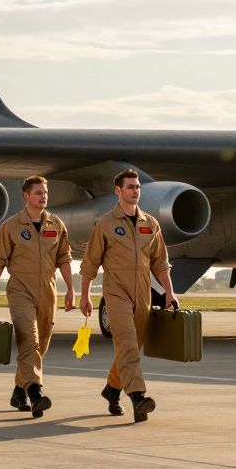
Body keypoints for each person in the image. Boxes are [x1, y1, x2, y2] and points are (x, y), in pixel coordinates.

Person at [79, 169, 176, 422]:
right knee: (127, 342)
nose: (136, 191)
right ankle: (138, 397)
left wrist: (169, 292)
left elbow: (161, 262)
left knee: (133, 347)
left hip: (143, 292)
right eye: (130, 187)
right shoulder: (105, 224)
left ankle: (112, 391)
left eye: (137, 187)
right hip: (116, 292)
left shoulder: (150, 224)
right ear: (118, 191)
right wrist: (85, 296)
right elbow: (90, 264)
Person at [0, 176, 74, 418]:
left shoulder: (56, 225)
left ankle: (18, 390)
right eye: (38, 193)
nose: (43, 196)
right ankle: (35, 393)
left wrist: (71, 290)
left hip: (48, 291)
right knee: (29, 341)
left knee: (41, 344)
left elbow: (64, 259)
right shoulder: (11, 227)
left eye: (45, 193)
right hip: (20, 290)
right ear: (26, 196)